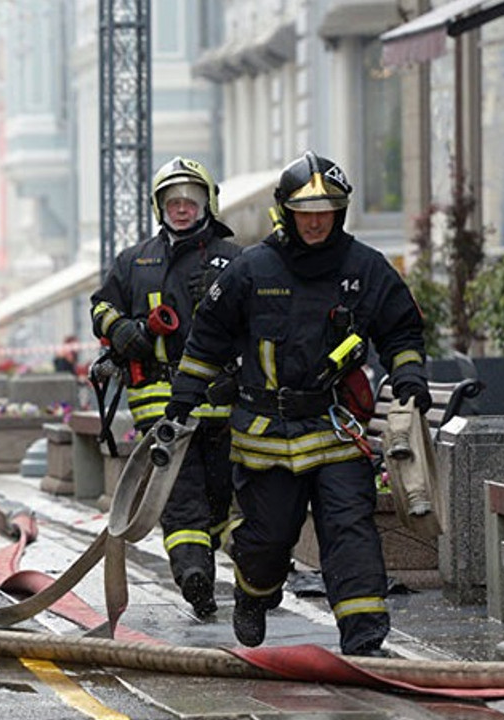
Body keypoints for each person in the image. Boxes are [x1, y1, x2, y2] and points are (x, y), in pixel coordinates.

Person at [164, 151, 429, 657]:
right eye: (305, 211)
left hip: (335, 430)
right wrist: (182, 401)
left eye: (325, 210)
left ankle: (364, 637)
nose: (314, 220)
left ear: (340, 212)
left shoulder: (365, 268)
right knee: (265, 542)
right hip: (266, 435)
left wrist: (409, 375)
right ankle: (252, 593)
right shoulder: (252, 268)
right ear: (286, 211)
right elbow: (207, 339)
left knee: (350, 530)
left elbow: (401, 329)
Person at [89, 156, 242, 620]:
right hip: (159, 401)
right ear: (159, 207)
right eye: (172, 201)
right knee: (179, 492)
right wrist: (121, 332)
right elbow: (101, 307)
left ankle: (238, 567)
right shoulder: (135, 261)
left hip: (222, 400)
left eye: (190, 201)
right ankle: (194, 575)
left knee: (221, 495)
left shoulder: (234, 260)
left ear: (207, 204)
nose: (181, 209)